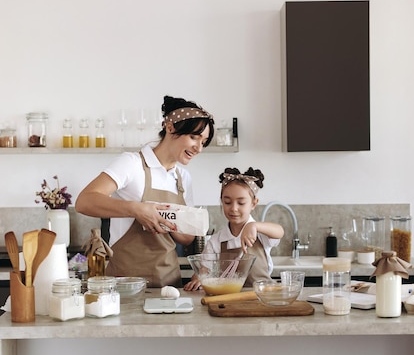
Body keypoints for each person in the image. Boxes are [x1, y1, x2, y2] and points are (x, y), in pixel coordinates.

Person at [75, 95, 214, 287]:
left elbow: (187, 238)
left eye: (204, 142)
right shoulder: (132, 164)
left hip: (169, 284)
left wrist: (170, 220)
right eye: (193, 137)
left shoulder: (182, 178)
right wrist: (138, 210)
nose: (199, 148)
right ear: (170, 127)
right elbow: (84, 201)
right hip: (125, 284)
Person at [184, 167, 284, 290]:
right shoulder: (216, 241)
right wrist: (198, 279)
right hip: (230, 296)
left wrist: (254, 226)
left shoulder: (261, 234)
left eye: (241, 203)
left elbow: (279, 231)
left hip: (262, 296)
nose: (233, 208)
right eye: (227, 202)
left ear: (254, 203)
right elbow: (204, 270)